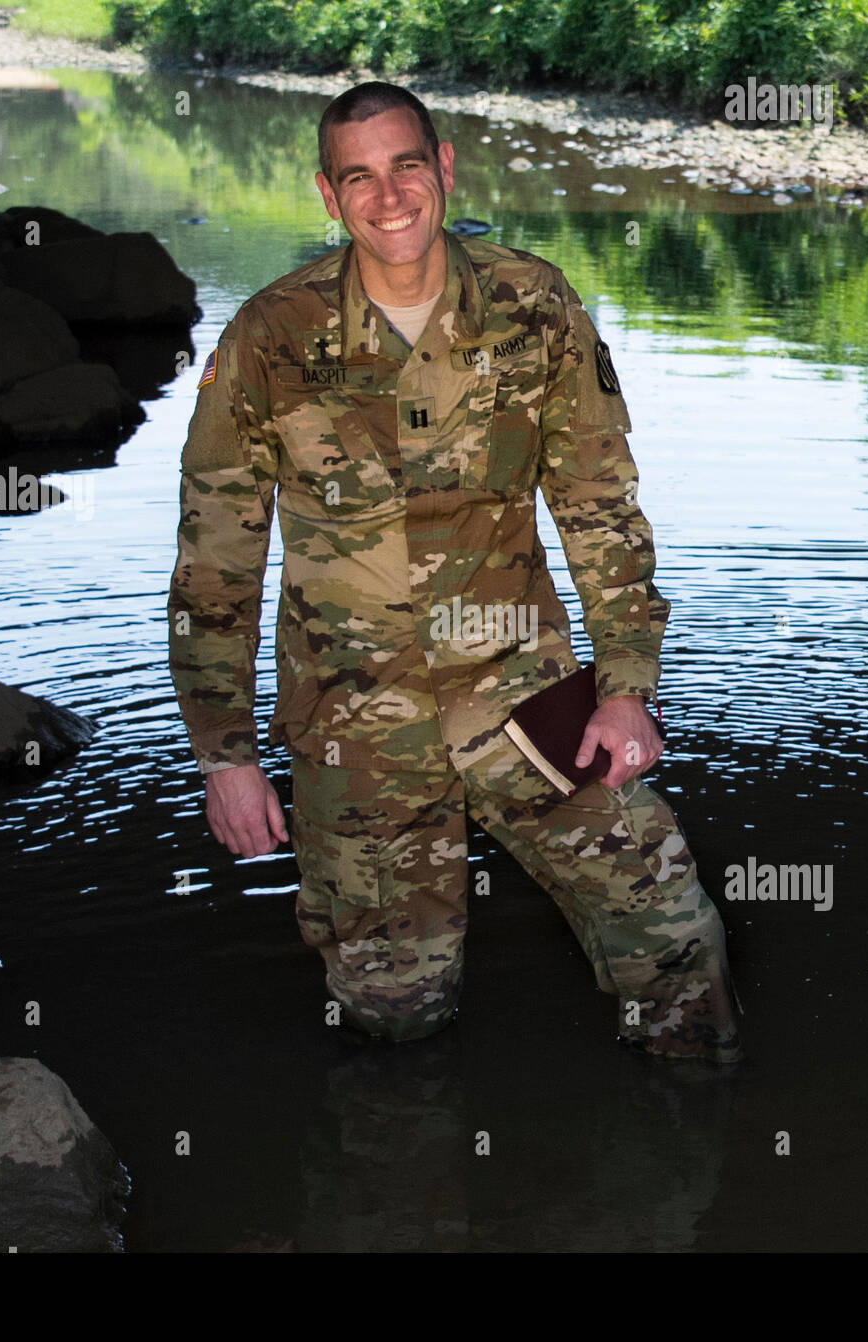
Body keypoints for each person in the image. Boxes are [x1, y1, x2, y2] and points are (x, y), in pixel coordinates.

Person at [167, 81, 744, 1061]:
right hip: (354, 729)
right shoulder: (267, 338)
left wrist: (626, 691)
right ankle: (405, 1186)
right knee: (394, 1014)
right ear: (327, 193)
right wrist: (223, 753)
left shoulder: (533, 305)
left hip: (518, 689)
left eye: (405, 166)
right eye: (359, 178)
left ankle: (698, 1151)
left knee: (671, 938)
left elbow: (599, 508)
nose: (387, 198)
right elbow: (217, 553)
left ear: (443, 169)